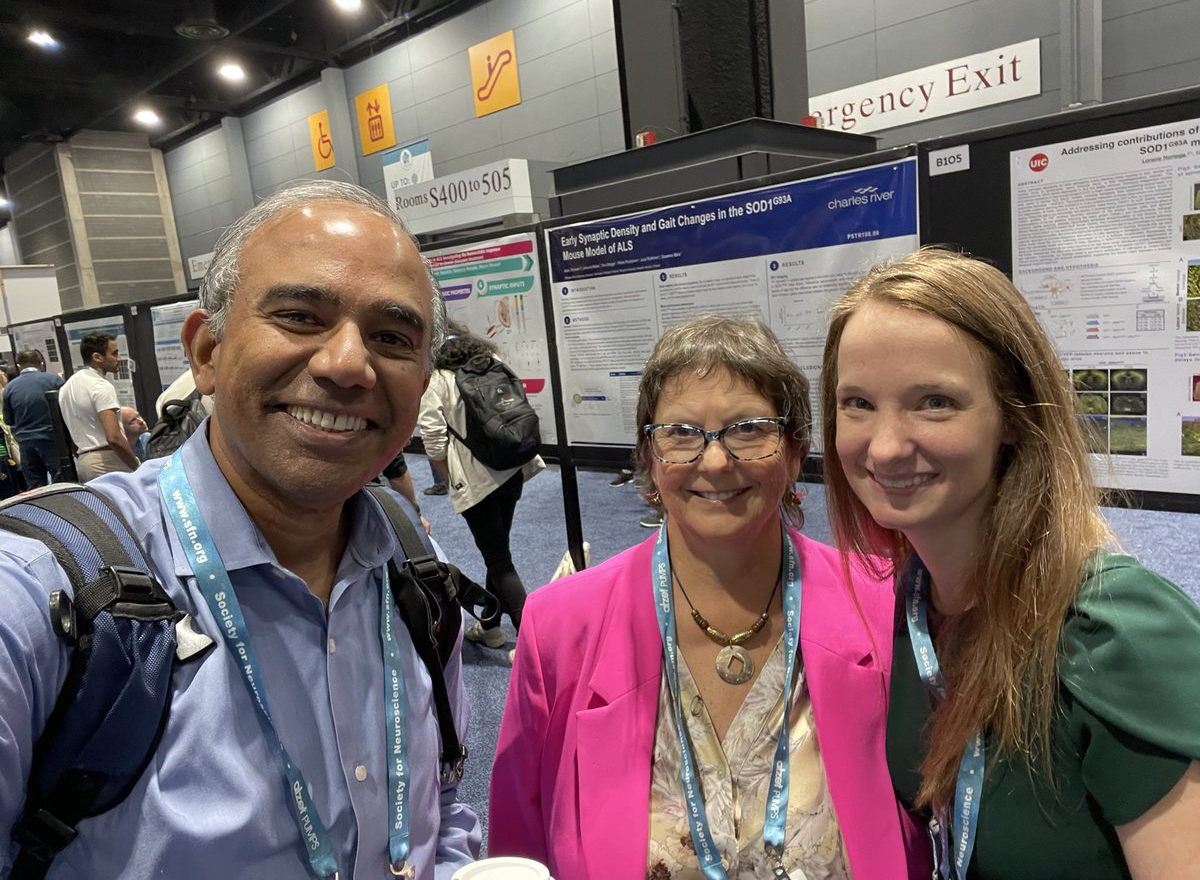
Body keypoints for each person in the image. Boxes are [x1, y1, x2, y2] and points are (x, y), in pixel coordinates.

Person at [0, 180, 481, 876]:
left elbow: (443, 798)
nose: (348, 364)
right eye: (300, 316)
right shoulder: (41, 597)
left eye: (391, 337)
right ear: (206, 353)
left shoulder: (415, 566)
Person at [489, 316, 923, 878]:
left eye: (749, 429)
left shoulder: (885, 604)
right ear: (648, 457)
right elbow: (519, 852)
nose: (715, 461)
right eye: (681, 433)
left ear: (795, 452)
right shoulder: (558, 627)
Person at [820, 248, 1200, 879]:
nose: (884, 445)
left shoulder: (1114, 632)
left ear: (1015, 418)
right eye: (857, 403)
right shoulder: (912, 605)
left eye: (935, 402)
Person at [418, 324, 543, 660]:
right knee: (498, 551)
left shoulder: (437, 379)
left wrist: (449, 479)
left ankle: (534, 643)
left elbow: (432, 438)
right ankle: (490, 629)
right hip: (512, 467)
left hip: (476, 481)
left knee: (499, 561)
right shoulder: (492, 359)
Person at [58, 332, 139, 481]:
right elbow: (114, 437)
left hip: (84, 462)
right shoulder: (101, 386)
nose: (119, 358)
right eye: (114, 354)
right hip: (109, 461)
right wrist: (137, 466)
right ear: (97, 357)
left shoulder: (66, 388)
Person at [2, 349, 65, 489]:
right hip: (52, 440)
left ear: (19, 365)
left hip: (26, 443)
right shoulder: (54, 380)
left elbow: (8, 420)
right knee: (61, 483)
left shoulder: (10, 388)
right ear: (40, 363)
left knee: (35, 487)